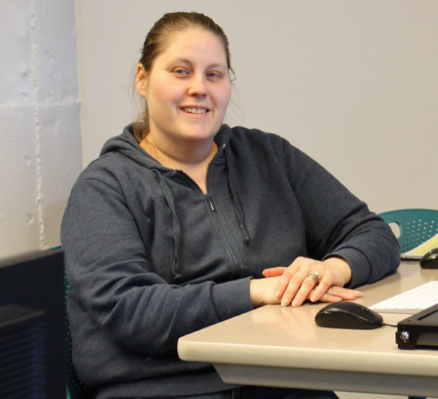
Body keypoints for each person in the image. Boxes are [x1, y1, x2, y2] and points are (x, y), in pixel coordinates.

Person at [61, 12, 400, 399]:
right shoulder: (104, 187)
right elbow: (130, 309)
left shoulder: (268, 155)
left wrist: (333, 269)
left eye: (214, 75)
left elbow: (373, 233)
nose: (199, 88)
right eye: (180, 71)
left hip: (282, 377)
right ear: (142, 78)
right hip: (164, 389)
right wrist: (257, 291)